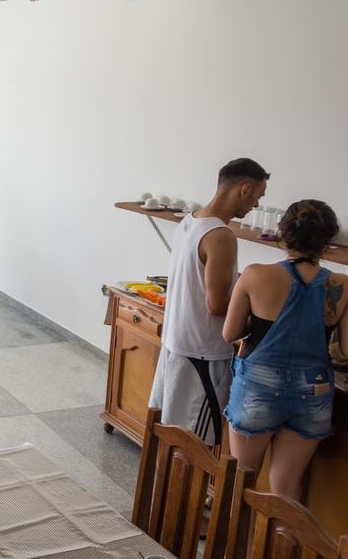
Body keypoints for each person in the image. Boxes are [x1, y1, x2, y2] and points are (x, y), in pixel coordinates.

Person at [222, 200, 348, 500]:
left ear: (283, 235)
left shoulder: (255, 275)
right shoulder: (341, 284)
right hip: (314, 390)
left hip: (258, 388)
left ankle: (232, 548)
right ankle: (278, 548)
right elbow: (346, 348)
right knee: (287, 490)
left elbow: (230, 332)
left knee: (241, 481)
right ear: (327, 241)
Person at [148, 158, 269, 446]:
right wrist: (258, 314)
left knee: (171, 437)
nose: (255, 204)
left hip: (176, 346)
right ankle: (188, 494)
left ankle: (166, 492)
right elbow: (217, 305)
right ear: (244, 189)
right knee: (196, 446)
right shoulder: (221, 236)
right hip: (203, 355)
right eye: (257, 196)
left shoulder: (190, 221)